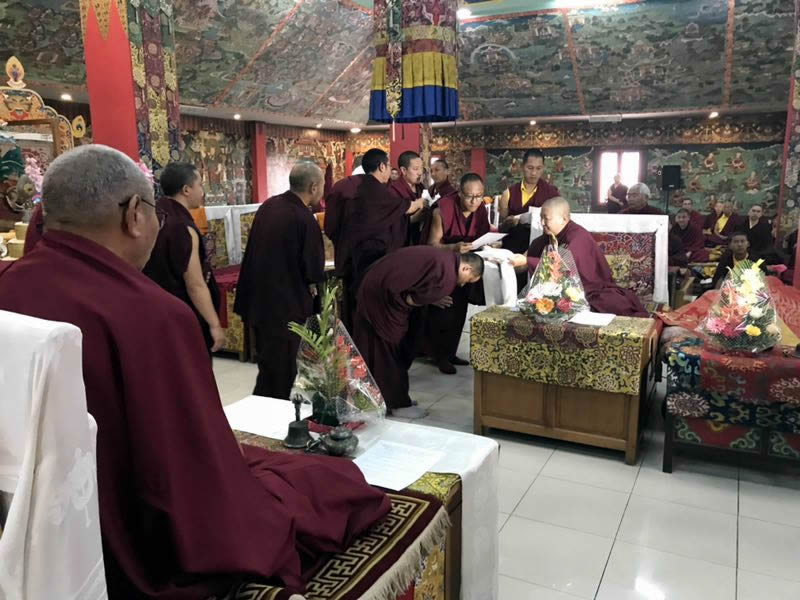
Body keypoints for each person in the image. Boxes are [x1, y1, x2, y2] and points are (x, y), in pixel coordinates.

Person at [0, 145, 390, 599]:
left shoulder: (9, 284)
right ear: (132, 215)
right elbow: (193, 464)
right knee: (334, 484)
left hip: (32, 513)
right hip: (128, 533)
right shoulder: (153, 316)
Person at [354, 246, 484, 417]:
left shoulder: (445, 257)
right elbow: (411, 299)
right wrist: (427, 297)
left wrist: (430, 297)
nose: (462, 284)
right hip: (381, 298)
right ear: (466, 268)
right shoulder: (447, 275)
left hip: (374, 284)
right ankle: (397, 403)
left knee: (387, 349)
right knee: (391, 351)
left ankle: (383, 398)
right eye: (468, 279)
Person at [235, 162, 327, 400]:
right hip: (286, 308)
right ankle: (276, 423)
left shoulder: (269, 206)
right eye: (323, 184)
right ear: (313, 186)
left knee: (269, 366)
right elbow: (313, 270)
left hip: (260, 304)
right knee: (284, 372)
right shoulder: (304, 218)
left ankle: (262, 414)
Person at [509, 197, 648, 317]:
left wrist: (527, 261)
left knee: (612, 304)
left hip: (590, 291)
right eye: (541, 218)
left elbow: (562, 265)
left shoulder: (578, 236)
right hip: (556, 292)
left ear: (564, 219)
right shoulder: (543, 240)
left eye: (546, 218)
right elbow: (526, 260)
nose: (542, 223)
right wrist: (509, 261)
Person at [143, 162, 223, 353]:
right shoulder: (181, 226)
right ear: (186, 190)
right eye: (200, 185)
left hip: (152, 311)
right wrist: (214, 324)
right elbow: (195, 284)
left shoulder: (152, 215)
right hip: (181, 313)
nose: (203, 192)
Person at [425, 173, 490, 374]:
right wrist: (453, 247)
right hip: (444, 266)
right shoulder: (442, 210)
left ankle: (451, 352)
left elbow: (482, 235)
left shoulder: (480, 211)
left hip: (466, 267)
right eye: (470, 196)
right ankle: (439, 356)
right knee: (444, 311)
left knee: (460, 310)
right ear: (460, 193)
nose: (474, 201)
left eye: (479, 196)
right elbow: (431, 245)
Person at [348, 149, 423, 296]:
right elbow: (406, 208)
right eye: (389, 166)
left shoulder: (363, 187)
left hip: (362, 249)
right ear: (382, 167)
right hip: (374, 252)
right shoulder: (378, 190)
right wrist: (421, 203)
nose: (390, 170)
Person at [323, 163, 367, 331]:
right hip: (374, 256)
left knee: (350, 298)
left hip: (347, 253)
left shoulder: (340, 187)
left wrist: (341, 243)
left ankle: (349, 338)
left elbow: (330, 226)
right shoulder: (378, 189)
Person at [498, 148, 560, 253]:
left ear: (543, 168)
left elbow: (558, 225)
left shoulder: (552, 193)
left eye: (538, 168)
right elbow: (500, 229)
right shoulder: (508, 194)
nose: (534, 173)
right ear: (523, 167)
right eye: (530, 168)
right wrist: (507, 223)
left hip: (541, 248)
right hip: (512, 248)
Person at [388, 151, 426, 246]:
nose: (420, 173)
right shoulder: (393, 190)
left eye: (421, 168)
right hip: (404, 242)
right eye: (416, 169)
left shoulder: (421, 187)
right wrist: (413, 218)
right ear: (404, 170)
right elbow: (391, 222)